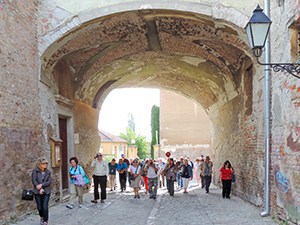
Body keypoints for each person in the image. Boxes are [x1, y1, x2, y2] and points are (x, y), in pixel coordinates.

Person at [32, 158, 51, 225]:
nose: (45, 164)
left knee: (45, 207)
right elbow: (34, 180)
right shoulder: (35, 171)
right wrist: (39, 189)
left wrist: (42, 185)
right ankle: (42, 216)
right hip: (37, 191)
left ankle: (45, 221)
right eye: (43, 163)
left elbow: (49, 182)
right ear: (40, 164)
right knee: (39, 207)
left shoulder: (48, 172)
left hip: (46, 191)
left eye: (46, 163)